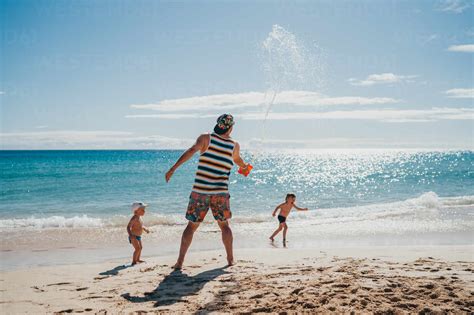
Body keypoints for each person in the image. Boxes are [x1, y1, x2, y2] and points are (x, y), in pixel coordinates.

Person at [165, 114, 250, 269]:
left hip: (200, 191)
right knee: (224, 226)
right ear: (231, 127)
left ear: (218, 125)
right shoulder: (234, 145)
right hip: (220, 192)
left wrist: (173, 168)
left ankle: (179, 262)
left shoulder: (205, 138)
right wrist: (244, 167)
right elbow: (237, 160)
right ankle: (230, 260)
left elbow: (191, 151)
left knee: (191, 226)